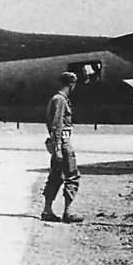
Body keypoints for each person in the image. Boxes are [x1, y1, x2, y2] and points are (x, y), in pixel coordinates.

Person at [41, 71, 82, 223]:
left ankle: (47, 210)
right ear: (71, 84)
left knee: (56, 176)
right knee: (72, 176)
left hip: (59, 143)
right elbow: (57, 124)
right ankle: (68, 212)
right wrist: (58, 147)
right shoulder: (60, 100)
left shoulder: (57, 99)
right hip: (63, 144)